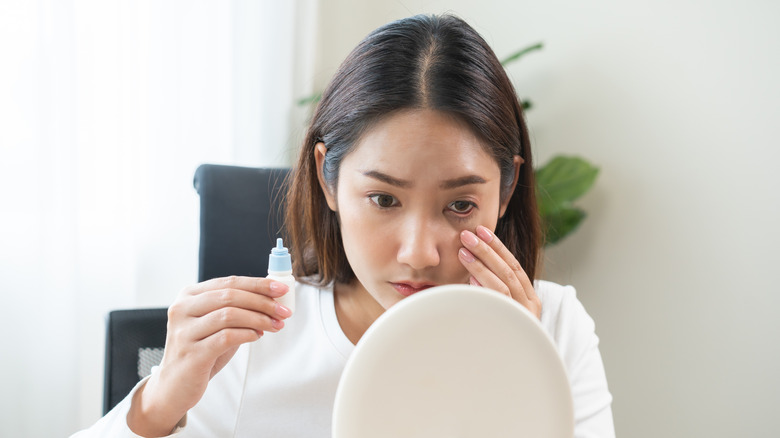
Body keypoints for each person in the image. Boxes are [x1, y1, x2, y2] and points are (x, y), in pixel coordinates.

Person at [72, 14, 614, 438]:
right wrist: (160, 402)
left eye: (460, 206)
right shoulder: (258, 343)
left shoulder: (554, 329)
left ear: (507, 190)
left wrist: (517, 375)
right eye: (383, 198)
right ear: (327, 180)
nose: (419, 252)